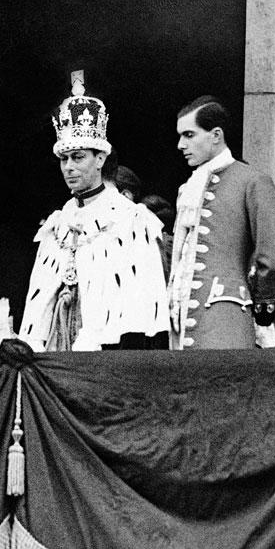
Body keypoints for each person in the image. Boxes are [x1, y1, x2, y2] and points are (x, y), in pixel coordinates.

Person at [20, 73, 169, 351]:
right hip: (58, 350)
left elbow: (141, 310)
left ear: (100, 158)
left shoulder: (130, 220)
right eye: (64, 159)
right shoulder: (57, 224)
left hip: (110, 355)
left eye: (78, 157)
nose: (69, 167)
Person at [168, 96, 275, 349]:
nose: (181, 144)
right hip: (181, 326)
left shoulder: (252, 181)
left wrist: (262, 307)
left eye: (189, 135)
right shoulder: (188, 188)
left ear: (216, 135)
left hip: (226, 320)